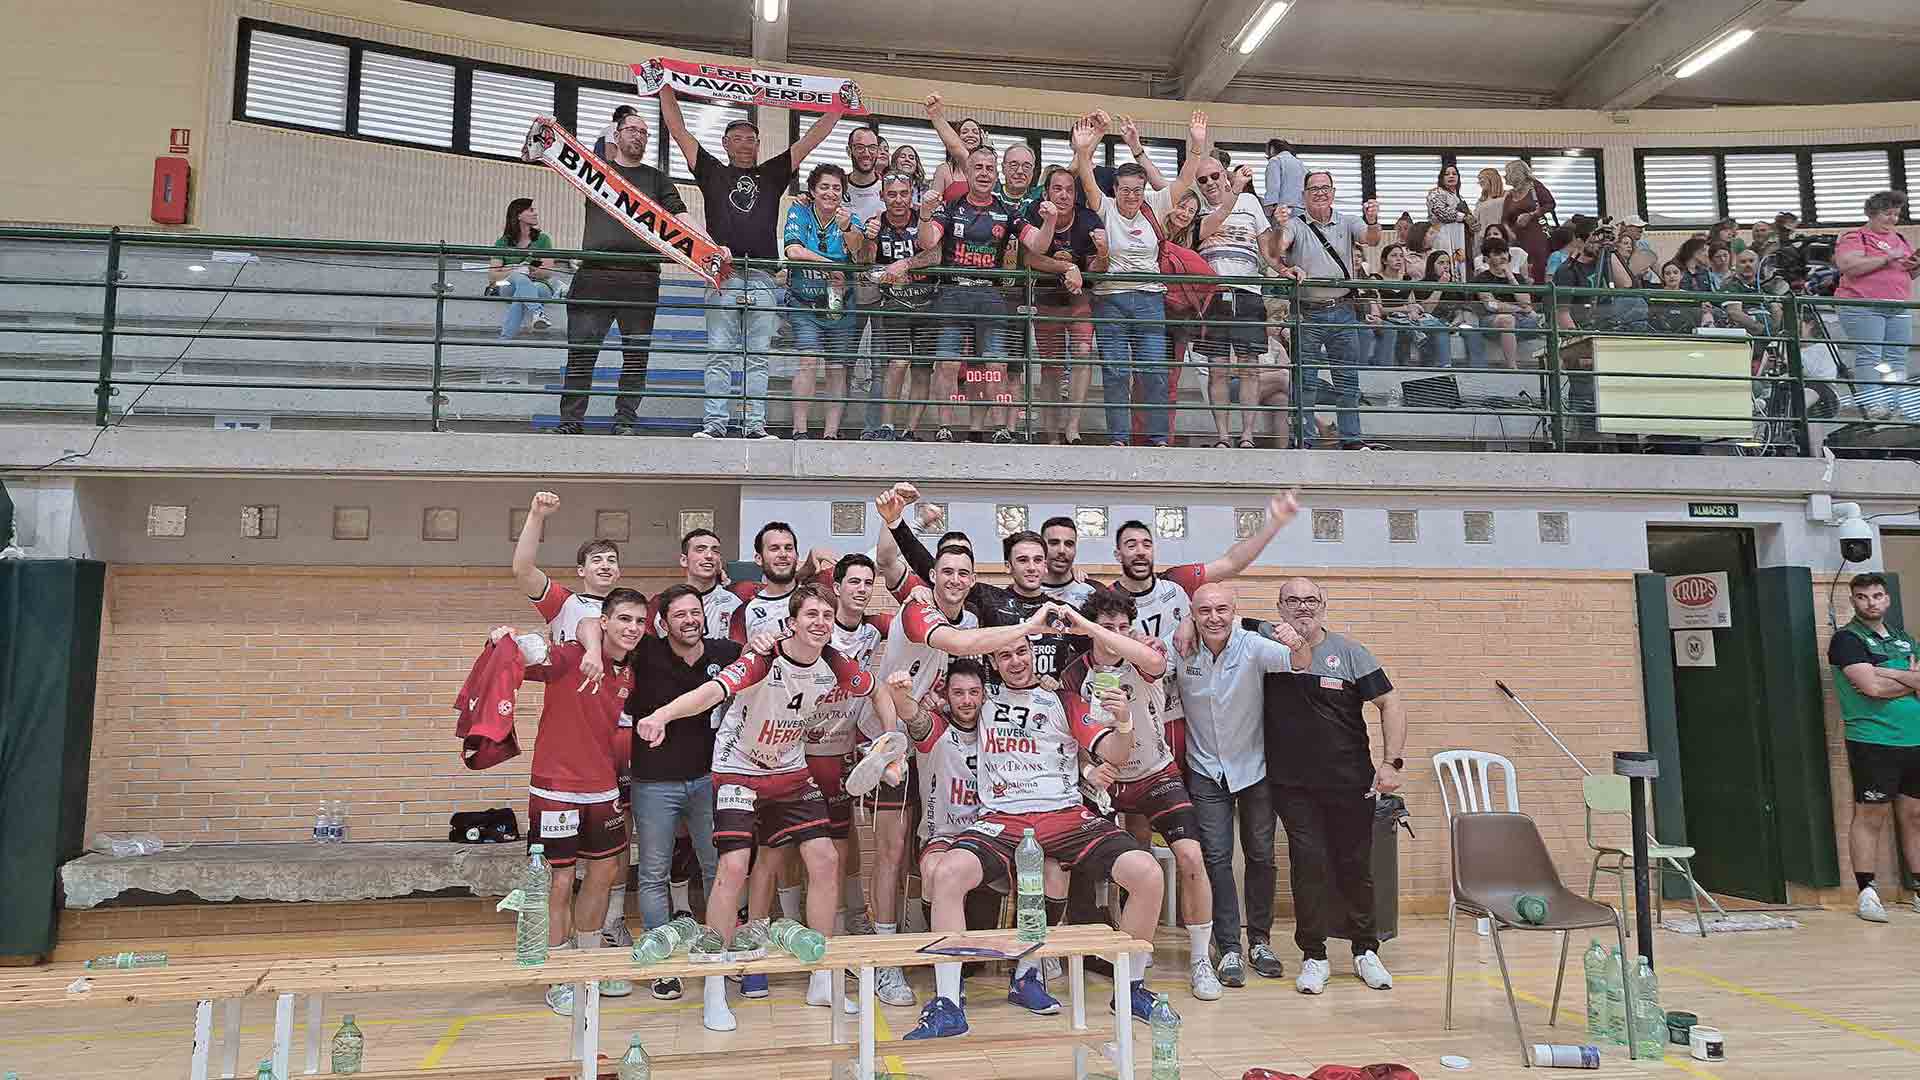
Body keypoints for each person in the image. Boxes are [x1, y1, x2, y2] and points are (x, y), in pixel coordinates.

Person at [630, 583, 872, 1032]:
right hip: (738, 768)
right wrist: (662, 715)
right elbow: (710, 692)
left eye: (826, 615)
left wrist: (889, 745)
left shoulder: (835, 662)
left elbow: (877, 691)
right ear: (791, 622)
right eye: (811, 614)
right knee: (733, 868)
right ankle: (715, 986)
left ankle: (822, 978)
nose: (820, 622)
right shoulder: (762, 657)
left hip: (790, 769)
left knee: (825, 859)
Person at [905, 633, 1166, 1040]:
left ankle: (1127, 988)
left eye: (1022, 652)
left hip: (1065, 815)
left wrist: (1124, 721)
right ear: (994, 662)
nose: (1015, 661)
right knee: (948, 873)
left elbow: (1115, 753)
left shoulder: (1062, 700)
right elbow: (950, 671)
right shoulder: (982, 699)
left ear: (1033, 654)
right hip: (1002, 818)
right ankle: (949, 1002)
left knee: (1147, 873)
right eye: (1005, 655)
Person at [1060, 589, 1226, 1000]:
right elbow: (1069, 732)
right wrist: (1088, 768)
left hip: (1154, 774)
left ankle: (1201, 960)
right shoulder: (1075, 674)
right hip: (1108, 780)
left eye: (1123, 627)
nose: (1116, 634)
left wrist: (1104, 633)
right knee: (1098, 868)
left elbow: (1154, 663)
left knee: (1191, 857)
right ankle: (1117, 943)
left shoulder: (1144, 655)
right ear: (1091, 630)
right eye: (1107, 627)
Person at [657, 83, 847, 440]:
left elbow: (811, 139)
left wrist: (839, 105)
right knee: (719, 354)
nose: (746, 144)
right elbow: (678, 130)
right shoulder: (712, 171)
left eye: (752, 139)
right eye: (738, 138)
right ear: (726, 144)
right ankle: (715, 425)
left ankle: (754, 426)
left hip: (762, 278)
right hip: (724, 276)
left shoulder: (773, 173)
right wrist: (666, 85)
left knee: (758, 357)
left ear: (759, 145)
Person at [494, 586, 646, 1016]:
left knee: (604, 873)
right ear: (605, 622)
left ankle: (587, 968)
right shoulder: (571, 657)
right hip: (555, 789)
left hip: (602, 787)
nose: (633, 628)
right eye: (624, 619)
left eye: (639, 621)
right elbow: (529, 655)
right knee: (559, 881)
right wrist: (505, 640)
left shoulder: (630, 671)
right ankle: (558, 976)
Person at [1261, 578, 1406, 995]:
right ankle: (1314, 956)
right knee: (1308, 865)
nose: (1302, 607)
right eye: (1292, 600)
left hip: (1349, 781)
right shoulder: (1265, 648)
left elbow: (1390, 703)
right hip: (1292, 785)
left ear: (1323, 604)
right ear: (1280, 607)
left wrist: (1391, 762)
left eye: (1310, 600)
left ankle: (1365, 950)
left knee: (1354, 865)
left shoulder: (1350, 653)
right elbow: (1227, 622)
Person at [1169, 582, 1306, 988]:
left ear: (1235, 611)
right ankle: (1228, 946)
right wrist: (1182, 626)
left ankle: (1259, 941)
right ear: (1193, 613)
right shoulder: (1180, 647)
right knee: (1216, 859)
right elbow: (1149, 661)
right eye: (1204, 611)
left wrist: (1296, 641)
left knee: (1261, 855)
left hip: (1254, 769)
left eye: (1222, 610)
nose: (1214, 618)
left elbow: (1299, 662)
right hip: (1205, 770)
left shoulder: (1252, 646)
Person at [621, 584, 738, 1002]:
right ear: (663, 622)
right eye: (680, 615)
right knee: (653, 873)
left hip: (708, 779)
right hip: (654, 783)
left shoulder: (724, 653)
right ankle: (662, 965)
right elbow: (597, 630)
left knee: (717, 868)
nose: (690, 620)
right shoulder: (645, 652)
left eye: (695, 612)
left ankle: (719, 951)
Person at [1073, 112, 1203, 448]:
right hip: (1110, 299)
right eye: (1126, 190)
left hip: (1149, 300)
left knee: (1154, 371)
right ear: (1115, 189)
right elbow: (1086, 179)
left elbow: (1185, 179)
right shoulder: (1105, 207)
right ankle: (1119, 437)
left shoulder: (1155, 205)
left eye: (1138, 190)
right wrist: (1083, 151)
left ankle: (1158, 438)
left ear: (1144, 190)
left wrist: (1197, 145)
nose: (1132, 196)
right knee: (1116, 371)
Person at [561, 108, 687, 435]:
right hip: (595, 275)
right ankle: (571, 421)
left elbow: (681, 216)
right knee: (581, 354)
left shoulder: (658, 179)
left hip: (641, 278)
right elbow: (558, 157)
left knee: (635, 357)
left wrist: (709, 247)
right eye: (632, 129)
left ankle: (625, 420)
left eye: (644, 132)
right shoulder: (596, 171)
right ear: (616, 135)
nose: (638, 136)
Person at [1826, 573, 1920, 922]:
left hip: (1915, 739)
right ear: (1853, 600)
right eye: (1863, 597)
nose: (1871, 602)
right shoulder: (1846, 639)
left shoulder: (1904, 639)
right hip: (1873, 740)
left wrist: (1887, 673)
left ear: (1887, 599)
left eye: (1877, 595)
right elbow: (1871, 689)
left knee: (1915, 815)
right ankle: (1867, 892)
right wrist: (1906, 678)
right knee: (1871, 815)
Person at [1271, 168, 1382, 448]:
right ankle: (1304, 440)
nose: (1320, 193)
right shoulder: (1294, 224)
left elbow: (1372, 239)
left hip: (1343, 310)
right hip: (1307, 312)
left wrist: (1373, 221)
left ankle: (1351, 439)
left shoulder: (1348, 221)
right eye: (1314, 189)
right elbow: (1276, 249)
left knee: (1347, 381)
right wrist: (1278, 226)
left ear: (1333, 192)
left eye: (1325, 188)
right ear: (1304, 195)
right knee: (1306, 382)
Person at [918, 144, 1022, 444]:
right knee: (947, 364)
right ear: (967, 172)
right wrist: (924, 215)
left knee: (996, 365)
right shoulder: (951, 207)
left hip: (990, 294)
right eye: (978, 167)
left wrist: (1050, 221)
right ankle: (944, 427)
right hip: (953, 292)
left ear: (996, 174)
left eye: (990, 168)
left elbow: (1037, 243)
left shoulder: (1007, 211)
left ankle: (1000, 428)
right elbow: (927, 242)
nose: (984, 173)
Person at [1192, 156, 1279, 448]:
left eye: (1214, 176)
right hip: (1212, 297)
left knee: (1249, 368)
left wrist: (1286, 268)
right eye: (1202, 179)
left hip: (1248, 294)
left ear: (1225, 175)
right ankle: (1223, 437)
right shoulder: (1198, 209)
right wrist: (1237, 190)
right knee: (1217, 369)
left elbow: (1269, 251)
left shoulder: (1250, 202)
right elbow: (1206, 229)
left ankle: (1247, 436)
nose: (1210, 183)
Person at [783, 164, 871, 441]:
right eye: (824, 187)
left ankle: (830, 434)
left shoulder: (850, 219)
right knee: (808, 361)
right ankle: (799, 430)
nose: (830, 193)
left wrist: (848, 229)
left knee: (837, 368)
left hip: (840, 306)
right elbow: (793, 250)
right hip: (804, 304)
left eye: (836, 188)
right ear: (812, 190)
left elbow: (860, 254)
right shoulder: (799, 211)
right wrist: (831, 266)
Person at [1020, 165, 1101, 445]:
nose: (1064, 195)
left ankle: (1072, 428)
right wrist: (1067, 267)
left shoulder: (1088, 218)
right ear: (1046, 193)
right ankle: (1051, 431)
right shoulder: (1035, 212)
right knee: (1051, 365)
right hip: (1046, 296)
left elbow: (1098, 266)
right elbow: (1029, 258)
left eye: (1069, 190)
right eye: (1057, 189)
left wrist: (1102, 253)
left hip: (1080, 295)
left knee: (1083, 353)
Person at [868, 176, 944, 441]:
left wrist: (906, 264)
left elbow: (935, 254)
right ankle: (887, 426)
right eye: (892, 194)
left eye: (904, 193)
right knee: (898, 363)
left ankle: (910, 430)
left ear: (912, 194)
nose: (898, 199)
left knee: (922, 369)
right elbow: (865, 261)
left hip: (928, 303)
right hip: (895, 304)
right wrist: (867, 239)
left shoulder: (924, 218)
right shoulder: (876, 223)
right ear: (882, 196)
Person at [1832, 190, 1917, 421]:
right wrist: (1887, 258)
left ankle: (1895, 403)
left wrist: (1915, 266)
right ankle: (1873, 403)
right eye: (1887, 214)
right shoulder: (1855, 236)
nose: (1893, 219)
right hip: (1862, 305)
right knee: (1870, 355)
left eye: (1896, 214)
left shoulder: (1900, 239)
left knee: (1897, 357)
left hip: (1898, 305)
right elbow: (1849, 266)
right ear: (1872, 213)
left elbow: (1907, 274)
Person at [1468, 237, 1544, 370]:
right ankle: (1512, 368)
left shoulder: (1517, 278)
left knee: (1548, 322)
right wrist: (1519, 309)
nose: (1503, 256)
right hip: (1490, 322)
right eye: (1497, 253)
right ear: (1486, 259)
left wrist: (1510, 276)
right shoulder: (1481, 279)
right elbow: (1492, 306)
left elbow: (1526, 303)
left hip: (1522, 321)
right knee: (1507, 320)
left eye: (1505, 252)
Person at [490, 198, 556, 339]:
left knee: (522, 291)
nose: (535, 213)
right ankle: (538, 312)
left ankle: (506, 337)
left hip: (540, 285)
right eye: (531, 210)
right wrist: (519, 270)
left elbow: (547, 272)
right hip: (506, 285)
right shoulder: (502, 242)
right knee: (518, 277)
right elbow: (493, 276)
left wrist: (518, 270)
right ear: (518, 215)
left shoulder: (543, 239)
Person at [1501, 160, 1555, 285]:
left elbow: (1550, 204)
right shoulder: (1510, 195)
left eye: (1507, 173)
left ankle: (1539, 294)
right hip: (1517, 239)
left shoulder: (1535, 187)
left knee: (1538, 267)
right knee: (1520, 267)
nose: (1505, 176)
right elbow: (1504, 219)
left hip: (1537, 236)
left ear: (1517, 173)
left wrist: (1531, 215)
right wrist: (1508, 232)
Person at [1650, 261, 1716, 334]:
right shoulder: (1655, 296)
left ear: (1681, 275)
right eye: (1668, 273)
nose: (1672, 276)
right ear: (1663, 277)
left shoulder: (1690, 297)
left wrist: (1705, 309)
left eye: (1675, 273)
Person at [1426, 163, 1474, 264]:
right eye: (1447, 174)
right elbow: (1441, 212)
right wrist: (1463, 217)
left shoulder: (1459, 197)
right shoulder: (1436, 192)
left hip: (1459, 237)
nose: (1451, 176)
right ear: (1441, 178)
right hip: (1442, 234)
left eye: (1454, 174)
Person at [1262, 137, 1305, 213]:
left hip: (1283, 210)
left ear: (1272, 149)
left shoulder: (1275, 160)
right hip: (1301, 209)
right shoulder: (1300, 163)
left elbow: (1273, 187)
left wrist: (1269, 210)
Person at [1471, 168, 1506, 258]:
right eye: (1479, 179)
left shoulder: (1506, 196)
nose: (1480, 182)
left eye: (1482, 178)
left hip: (1498, 239)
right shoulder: (1480, 201)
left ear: (1491, 178)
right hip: (1480, 240)